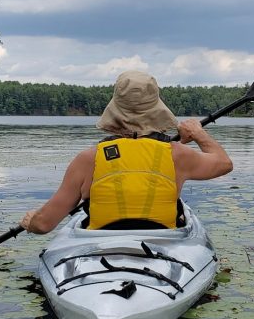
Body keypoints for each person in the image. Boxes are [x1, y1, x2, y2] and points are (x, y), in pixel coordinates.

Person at [19, 70, 233, 234]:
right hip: (163, 242)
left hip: (99, 246)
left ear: (114, 109)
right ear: (157, 109)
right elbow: (223, 163)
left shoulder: (88, 159)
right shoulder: (177, 154)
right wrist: (197, 134)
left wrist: (32, 221)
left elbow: (45, 224)